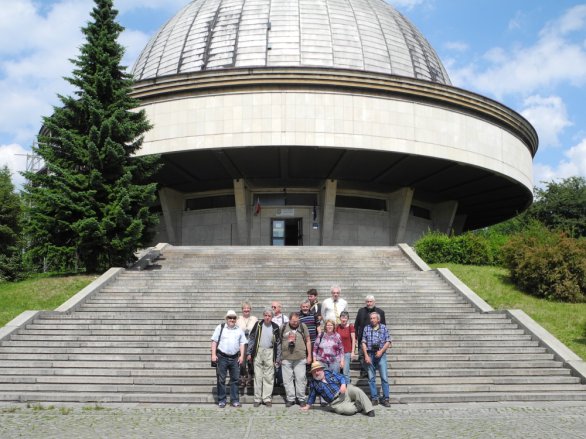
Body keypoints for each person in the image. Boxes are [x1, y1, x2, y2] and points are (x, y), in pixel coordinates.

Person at [301, 361, 375, 417]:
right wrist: (307, 406)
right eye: (314, 371)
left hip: (345, 390)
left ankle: (369, 410)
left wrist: (343, 384)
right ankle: (360, 404)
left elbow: (341, 377)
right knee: (349, 411)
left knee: (357, 391)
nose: (316, 373)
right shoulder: (313, 383)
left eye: (318, 370)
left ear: (322, 369)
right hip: (336, 402)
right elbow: (312, 395)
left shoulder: (329, 372)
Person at [211, 310, 247, 408]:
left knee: (235, 380)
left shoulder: (239, 329)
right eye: (230, 318)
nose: (232, 319)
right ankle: (222, 400)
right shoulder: (220, 327)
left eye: (234, 318)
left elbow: (242, 343)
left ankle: (234, 400)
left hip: (235, 358)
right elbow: (214, 341)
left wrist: (241, 356)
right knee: (221, 380)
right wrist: (213, 355)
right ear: (226, 318)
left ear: (236, 319)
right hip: (222, 357)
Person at [247, 307, 281, 407]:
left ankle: (267, 398)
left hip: (270, 352)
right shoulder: (258, 325)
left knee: (269, 376)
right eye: (265, 315)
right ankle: (257, 399)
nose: (267, 317)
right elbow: (252, 338)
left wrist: (278, 357)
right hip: (258, 351)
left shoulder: (275, 327)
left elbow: (278, 343)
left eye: (269, 316)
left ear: (272, 317)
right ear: (263, 316)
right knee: (258, 376)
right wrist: (249, 352)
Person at [361, 312, 392, 407]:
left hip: (381, 354)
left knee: (384, 378)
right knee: (371, 378)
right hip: (370, 353)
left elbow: (388, 341)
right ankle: (374, 398)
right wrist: (366, 355)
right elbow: (363, 342)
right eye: (371, 318)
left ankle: (386, 398)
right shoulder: (366, 328)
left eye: (374, 318)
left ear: (378, 319)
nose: (372, 320)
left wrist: (381, 351)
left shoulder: (383, 327)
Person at [280, 312, 312, 407]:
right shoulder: (283, 327)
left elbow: (308, 340)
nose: (295, 323)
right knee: (287, 380)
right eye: (293, 321)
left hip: (300, 357)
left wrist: (309, 355)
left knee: (301, 378)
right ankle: (290, 398)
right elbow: (279, 341)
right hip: (286, 357)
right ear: (289, 320)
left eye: (296, 321)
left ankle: (301, 398)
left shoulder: (303, 326)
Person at [355, 295, 386, 378]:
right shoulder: (361, 311)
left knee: (373, 355)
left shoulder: (380, 312)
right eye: (367, 301)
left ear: (374, 302)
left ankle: (372, 370)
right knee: (362, 355)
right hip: (363, 338)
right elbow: (356, 325)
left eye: (370, 301)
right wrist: (355, 337)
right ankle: (364, 370)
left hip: (376, 339)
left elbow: (384, 326)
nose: (369, 303)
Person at [237, 301, 258, 388]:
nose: (246, 310)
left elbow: (257, 331)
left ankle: (249, 379)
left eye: (248, 308)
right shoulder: (238, 319)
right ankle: (242, 379)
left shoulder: (254, 319)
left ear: (250, 309)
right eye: (244, 308)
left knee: (250, 362)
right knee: (242, 362)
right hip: (241, 343)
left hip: (251, 342)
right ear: (242, 310)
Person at [271, 300, 288, 387]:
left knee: (281, 361)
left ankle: (281, 380)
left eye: (275, 307)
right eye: (272, 307)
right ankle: (273, 379)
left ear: (279, 308)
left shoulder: (284, 318)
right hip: (273, 343)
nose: (273, 308)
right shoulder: (271, 318)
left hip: (282, 342)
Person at [336, 311, 356, 383]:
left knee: (345, 372)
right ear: (340, 318)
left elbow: (353, 339)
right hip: (338, 353)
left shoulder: (350, 327)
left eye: (345, 318)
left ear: (347, 319)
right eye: (342, 317)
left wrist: (353, 352)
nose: (343, 319)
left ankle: (348, 390)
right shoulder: (337, 327)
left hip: (347, 352)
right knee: (337, 372)